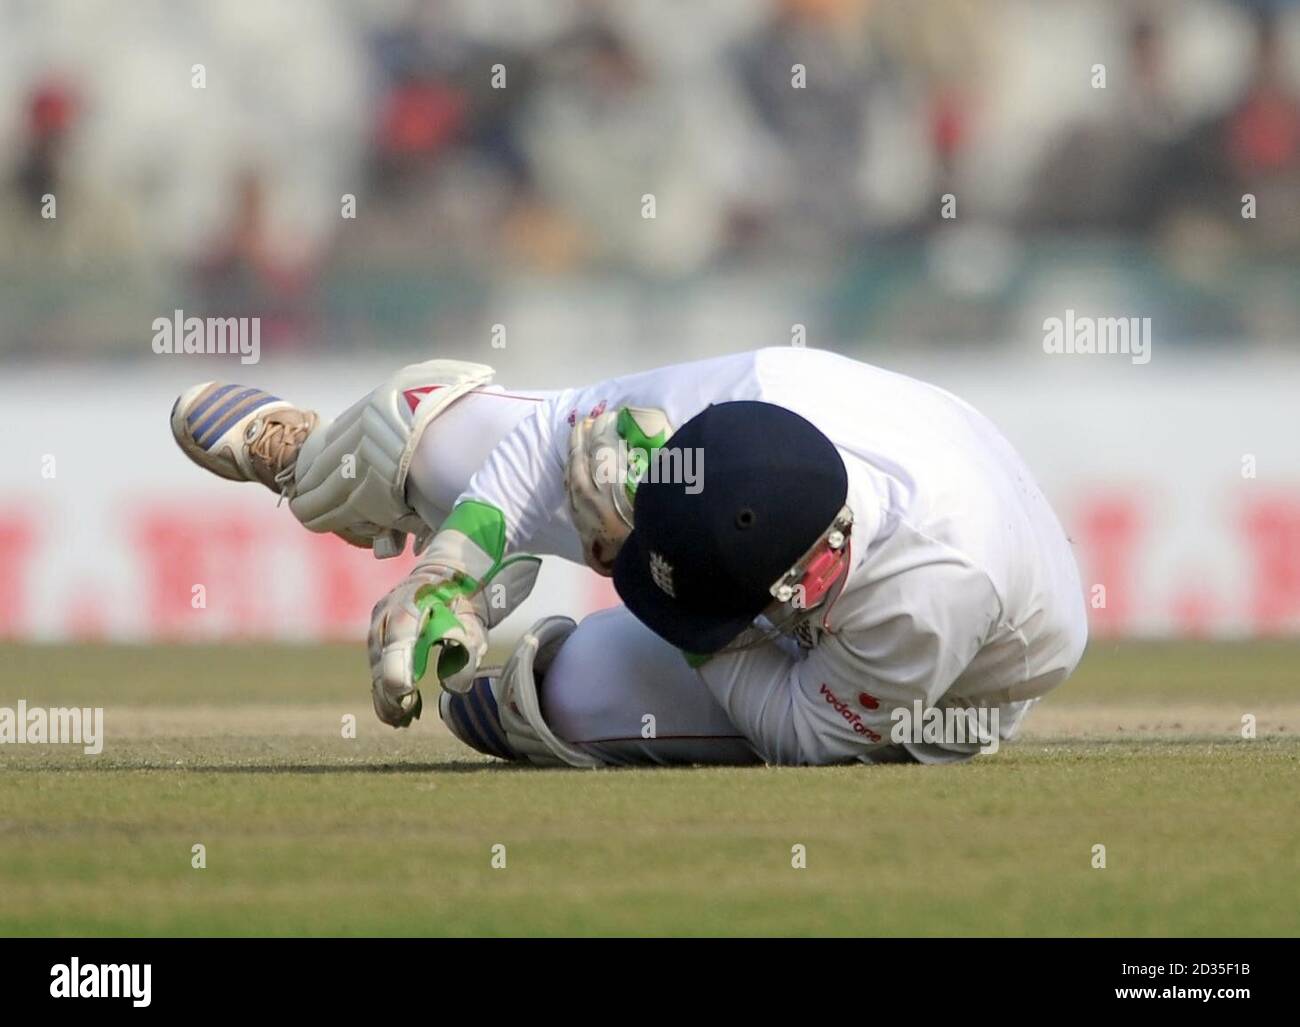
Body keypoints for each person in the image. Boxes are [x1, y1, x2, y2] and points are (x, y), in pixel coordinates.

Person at [170, 347, 1087, 767]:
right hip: (851, 500)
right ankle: (318, 457)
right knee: (414, 432)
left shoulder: (928, 601)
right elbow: (539, 434)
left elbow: (807, 732)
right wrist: (448, 568)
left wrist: (642, 584)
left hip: (956, 693)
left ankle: (539, 674)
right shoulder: (749, 391)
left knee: (541, 701)